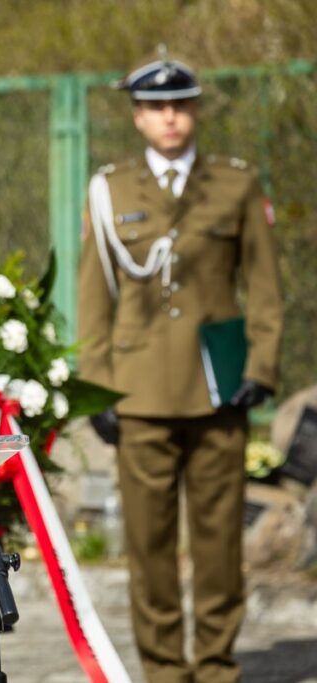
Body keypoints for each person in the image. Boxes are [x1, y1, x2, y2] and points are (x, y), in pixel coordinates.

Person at [77, 53, 283, 683]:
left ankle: (216, 665)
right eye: (156, 108)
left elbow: (267, 288)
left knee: (220, 544)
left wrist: (264, 367)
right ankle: (165, 670)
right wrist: (98, 389)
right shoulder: (111, 190)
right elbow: (94, 298)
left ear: (194, 110)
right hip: (140, 396)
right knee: (150, 547)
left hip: (219, 389)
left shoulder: (236, 185)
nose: (170, 118)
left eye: (180, 104)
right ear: (139, 118)